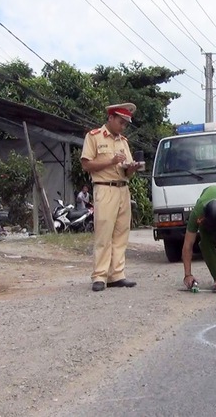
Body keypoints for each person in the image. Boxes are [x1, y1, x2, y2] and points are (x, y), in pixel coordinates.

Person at [80, 102, 141, 292]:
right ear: (111, 118)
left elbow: (127, 171)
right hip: (104, 188)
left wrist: (131, 168)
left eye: (125, 124)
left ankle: (117, 274)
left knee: (121, 234)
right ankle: (99, 276)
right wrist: (111, 161)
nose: (123, 127)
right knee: (104, 233)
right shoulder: (94, 137)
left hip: (123, 188)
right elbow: (86, 165)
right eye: (121, 122)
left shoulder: (123, 142)